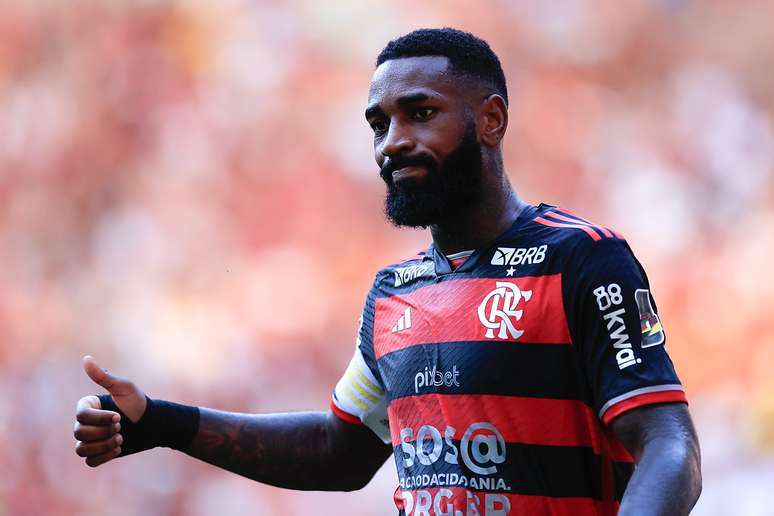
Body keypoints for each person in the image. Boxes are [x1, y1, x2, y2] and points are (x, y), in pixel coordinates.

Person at [73, 28, 702, 515]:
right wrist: (161, 422)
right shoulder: (395, 295)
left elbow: (670, 447)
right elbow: (338, 452)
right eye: (379, 124)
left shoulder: (582, 260)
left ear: (492, 119)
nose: (391, 142)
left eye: (420, 113)